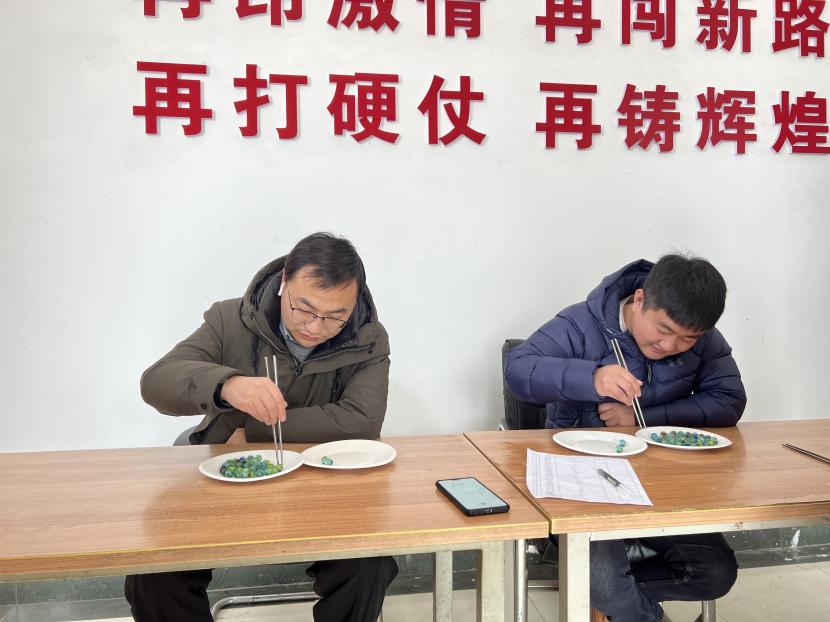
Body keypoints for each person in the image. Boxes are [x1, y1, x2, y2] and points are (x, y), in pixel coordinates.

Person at [125, 232, 397, 622]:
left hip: (321, 485)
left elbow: (363, 420)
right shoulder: (229, 320)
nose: (315, 327)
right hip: (229, 480)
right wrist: (226, 385)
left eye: (335, 316)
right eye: (303, 308)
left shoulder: (368, 339)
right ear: (284, 281)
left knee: (368, 564)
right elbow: (156, 383)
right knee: (155, 569)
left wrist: (253, 430)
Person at [504, 254, 746, 622]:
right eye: (663, 329)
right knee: (603, 582)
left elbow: (729, 399)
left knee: (715, 573)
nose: (670, 345)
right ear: (639, 299)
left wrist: (641, 415)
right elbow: (519, 370)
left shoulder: (702, 338)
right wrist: (591, 377)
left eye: (688, 338)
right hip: (582, 488)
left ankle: (614, 603)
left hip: (662, 484)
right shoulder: (580, 323)